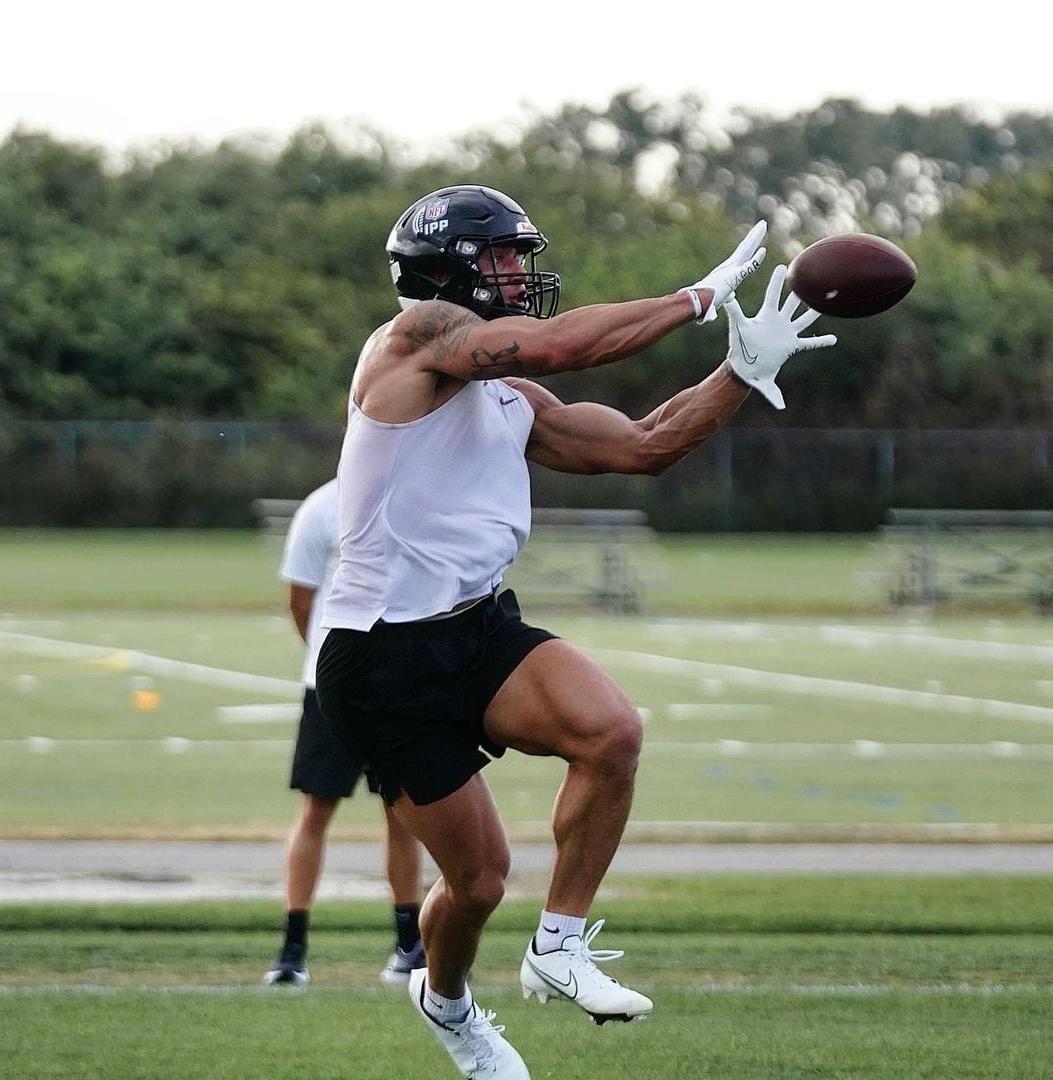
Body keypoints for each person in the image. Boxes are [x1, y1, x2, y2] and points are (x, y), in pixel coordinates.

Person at [315, 185, 836, 1077]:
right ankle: (447, 1004)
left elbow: (642, 447)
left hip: (473, 628)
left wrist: (739, 375)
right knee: (477, 882)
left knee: (613, 730)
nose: (521, 271)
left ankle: (558, 947)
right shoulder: (413, 339)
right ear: (445, 270)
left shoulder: (506, 394)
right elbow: (571, 341)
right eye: (504, 256)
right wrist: (695, 299)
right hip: (381, 655)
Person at [263, 478, 427, 988]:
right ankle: (293, 949)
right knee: (315, 810)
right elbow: (301, 600)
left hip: (397, 687)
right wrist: (331, 661)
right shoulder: (322, 506)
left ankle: (409, 944)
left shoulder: (414, 499)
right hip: (331, 690)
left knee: (403, 813)